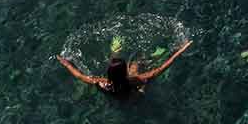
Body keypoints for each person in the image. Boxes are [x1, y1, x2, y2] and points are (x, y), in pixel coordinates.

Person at [59, 41, 192, 98]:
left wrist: (66, 64)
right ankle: (151, 55)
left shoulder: (102, 83)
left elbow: (79, 75)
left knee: (129, 66)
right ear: (125, 72)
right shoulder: (135, 80)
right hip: (135, 95)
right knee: (137, 64)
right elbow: (163, 67)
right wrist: (181, 49)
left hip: (116, 95)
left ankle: (115, 50)